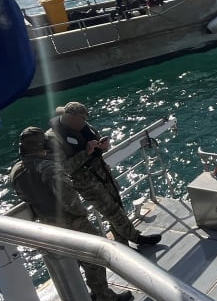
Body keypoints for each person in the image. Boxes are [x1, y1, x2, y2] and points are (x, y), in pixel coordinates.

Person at [9, 126, 133, 301]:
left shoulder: (16, 171)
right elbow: (68, 198)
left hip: (48, 223)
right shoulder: (49, 167)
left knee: (71, 261)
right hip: (72, 221)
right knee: (94, 258)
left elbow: (24, 196)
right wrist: (81, 214)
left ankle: (88, 294)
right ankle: (106, 299)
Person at [45, 101, 160, 247]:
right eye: (81, 120)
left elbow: (98, 144)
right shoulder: (53, 138)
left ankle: (122, 245)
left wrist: (103, 146)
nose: (84, 123)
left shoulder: (86, 127)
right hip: (86, 182)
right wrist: (85, 153)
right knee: (111, 211)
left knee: (117, 206)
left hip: (103, 173)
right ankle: (137, 238)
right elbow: (63, 168)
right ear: (70, 117)